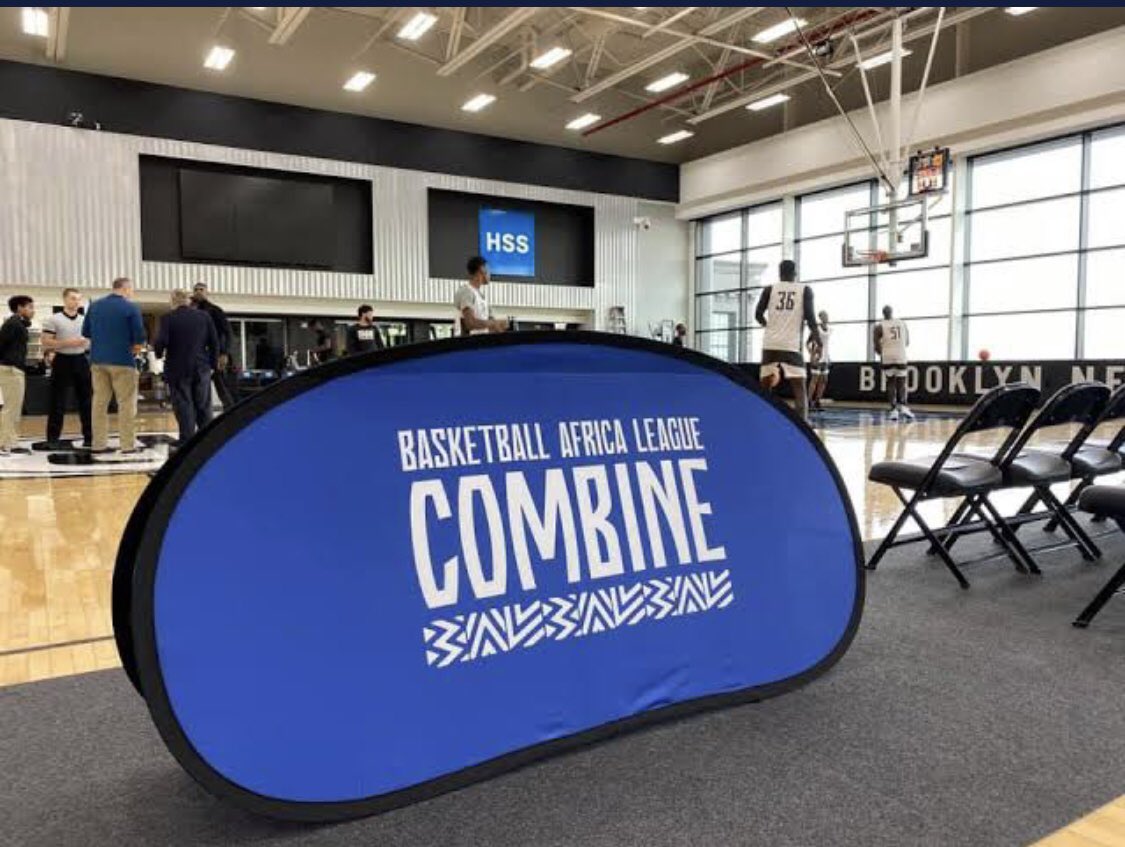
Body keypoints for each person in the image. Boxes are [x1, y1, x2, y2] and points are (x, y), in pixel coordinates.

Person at [82, 277, 146, 454]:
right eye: (131, 289)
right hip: (122, 360)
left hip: (97, 360)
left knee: (99, 403)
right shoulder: (131, 307)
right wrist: (134, 348)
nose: (132, 293)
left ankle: (98, 444)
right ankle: (127, 445)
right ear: (125, 288)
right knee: (126, 403)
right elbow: (139, 336)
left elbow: (85, 332)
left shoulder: (94, 306)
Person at [755, 259, 819, 422]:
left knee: (764, 389)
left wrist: (769, 326)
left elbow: (758, 314)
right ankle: (802, 425)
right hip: (791, 345)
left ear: (779, 273)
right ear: (795, 273)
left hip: (770, 344)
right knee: (799, 389)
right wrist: (818, 338)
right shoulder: (804, 290)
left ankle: (761, 420)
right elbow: (811, 318)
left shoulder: (769, 289)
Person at [154, 289, 219, 445]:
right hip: (201, 367)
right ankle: (207, 439)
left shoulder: (168, 318)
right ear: (188, 300)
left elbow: (161, 341)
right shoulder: (204, 316)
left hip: (177, 368)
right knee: (203, 404)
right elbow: (214, 342)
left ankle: (187, 440)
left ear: (173, 301)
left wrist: (158, 354)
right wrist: (212, 365)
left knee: (183, 404)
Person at [41, 287, 93, 448]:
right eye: (73, 298)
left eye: (78, 299)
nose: (76, 302)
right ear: (64, 300)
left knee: (86, 401)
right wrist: (68, 343)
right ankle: (52, 439)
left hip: (81, 360)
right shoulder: (53, 319)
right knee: (57, 401)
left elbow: (90, 341)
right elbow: (46, 342)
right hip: (62, 360)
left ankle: (90, 437)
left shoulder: (85, 320)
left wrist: (86, 344)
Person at [0, 295, 35, 456]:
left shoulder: (17, 323)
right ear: (20, 308)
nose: (32, 311)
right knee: (11, 408)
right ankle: (6, 444)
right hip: (11, 369)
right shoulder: (13, 324)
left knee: (13, 408)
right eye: (29, 307)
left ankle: (9, 442)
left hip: (13, 368)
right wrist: (9, 363)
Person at [191, 282, 235, 409]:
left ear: (207, 293)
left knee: (222, 386)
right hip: (197, 356)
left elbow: (227, 332)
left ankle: (231, 411)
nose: (198, 292)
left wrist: (224, 353)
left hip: (216, 354)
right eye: (196, 290)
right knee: (199, 389)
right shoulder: (190, 311)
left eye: (201, 289)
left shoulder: (215, 310)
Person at [874, 305, 913, 422]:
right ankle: (904, 406)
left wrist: (882, 353)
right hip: (901, 355)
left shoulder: (879, 326)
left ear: (883, 314)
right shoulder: (902, 323)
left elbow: (876, 346)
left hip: (887, 356)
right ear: (892, 312)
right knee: (902, 382)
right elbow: (907, 342)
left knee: (890, 382)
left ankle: (893, 409)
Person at [454, 257, 509, 335]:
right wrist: (494, 323)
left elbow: (489, 325)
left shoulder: (481, 297)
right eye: (488, 270)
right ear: (482, 270)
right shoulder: (466, 291)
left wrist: (499, 326)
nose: (490, 274)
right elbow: (470, 323)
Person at [807, 310, 832, 413]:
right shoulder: (816, 329)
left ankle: (817, 401)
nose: (826, 317)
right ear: (820, 318)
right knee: (814, 379)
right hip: (817, 357)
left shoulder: (830, 329)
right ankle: (808, 402)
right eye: (824, 316)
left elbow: (826, 344)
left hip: (825, 357)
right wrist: (812, 355)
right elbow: (808, 343)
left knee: (824, 380)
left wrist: (828, 357)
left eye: (827, 315)